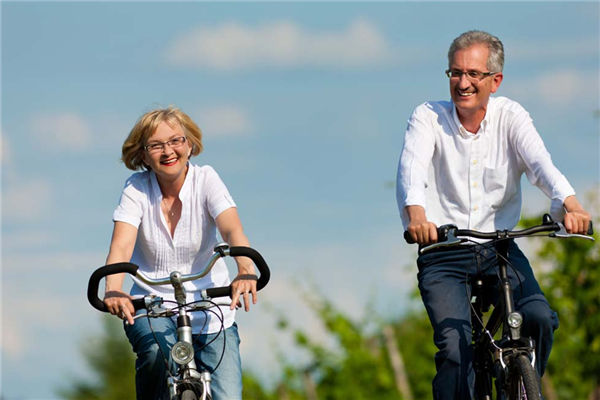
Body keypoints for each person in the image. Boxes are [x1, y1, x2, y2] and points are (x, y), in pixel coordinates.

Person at [396, 30, 591, 399]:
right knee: (456, 351)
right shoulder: (428, 117)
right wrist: (418, 217)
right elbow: (413, 171)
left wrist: (571, 204)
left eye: (473, 74)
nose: (463, 83)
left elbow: (541, 165)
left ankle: (519, 388)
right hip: (444, 252)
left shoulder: (511, 116)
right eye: (455, 73)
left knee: (538, 318)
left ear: (495, 81)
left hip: (498, 248)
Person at [103, 106, 258, 400]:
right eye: (156, 145)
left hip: (212, 306)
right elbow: (122, 245)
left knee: (229, 395)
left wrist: (245, 270)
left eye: (176, 140)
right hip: (152, 305)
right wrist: (113, 288)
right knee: (153, 354)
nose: (168, 151)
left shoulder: (207, 179)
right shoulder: (137, 189)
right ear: (143, 154)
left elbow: (232, 231)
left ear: (189, 144)